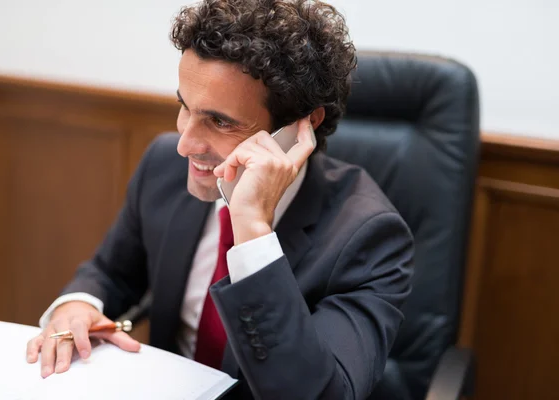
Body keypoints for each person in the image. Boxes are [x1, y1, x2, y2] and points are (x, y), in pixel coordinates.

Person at [26, 0, 414, 398]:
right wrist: (77, 304)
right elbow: (111, 272)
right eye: (184, 107)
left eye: (220, 121)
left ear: (303, 125)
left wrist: (253, 233)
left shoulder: (369, 237)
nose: (185, 144)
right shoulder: (163, 164)